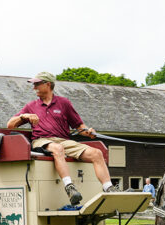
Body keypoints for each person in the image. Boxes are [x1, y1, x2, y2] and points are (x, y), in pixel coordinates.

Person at [7, 71, 116, 206]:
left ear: (48, 84)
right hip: (42, 140)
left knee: (96, 153)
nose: (34, 87)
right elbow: (10, 124)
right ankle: (70, 187)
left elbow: (79, 126)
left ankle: (109, 189)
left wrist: (89, 132)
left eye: (37, 84)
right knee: (58, 148)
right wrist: (25, 116)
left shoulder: (64, 103)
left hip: (64, 140)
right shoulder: (31, 106)